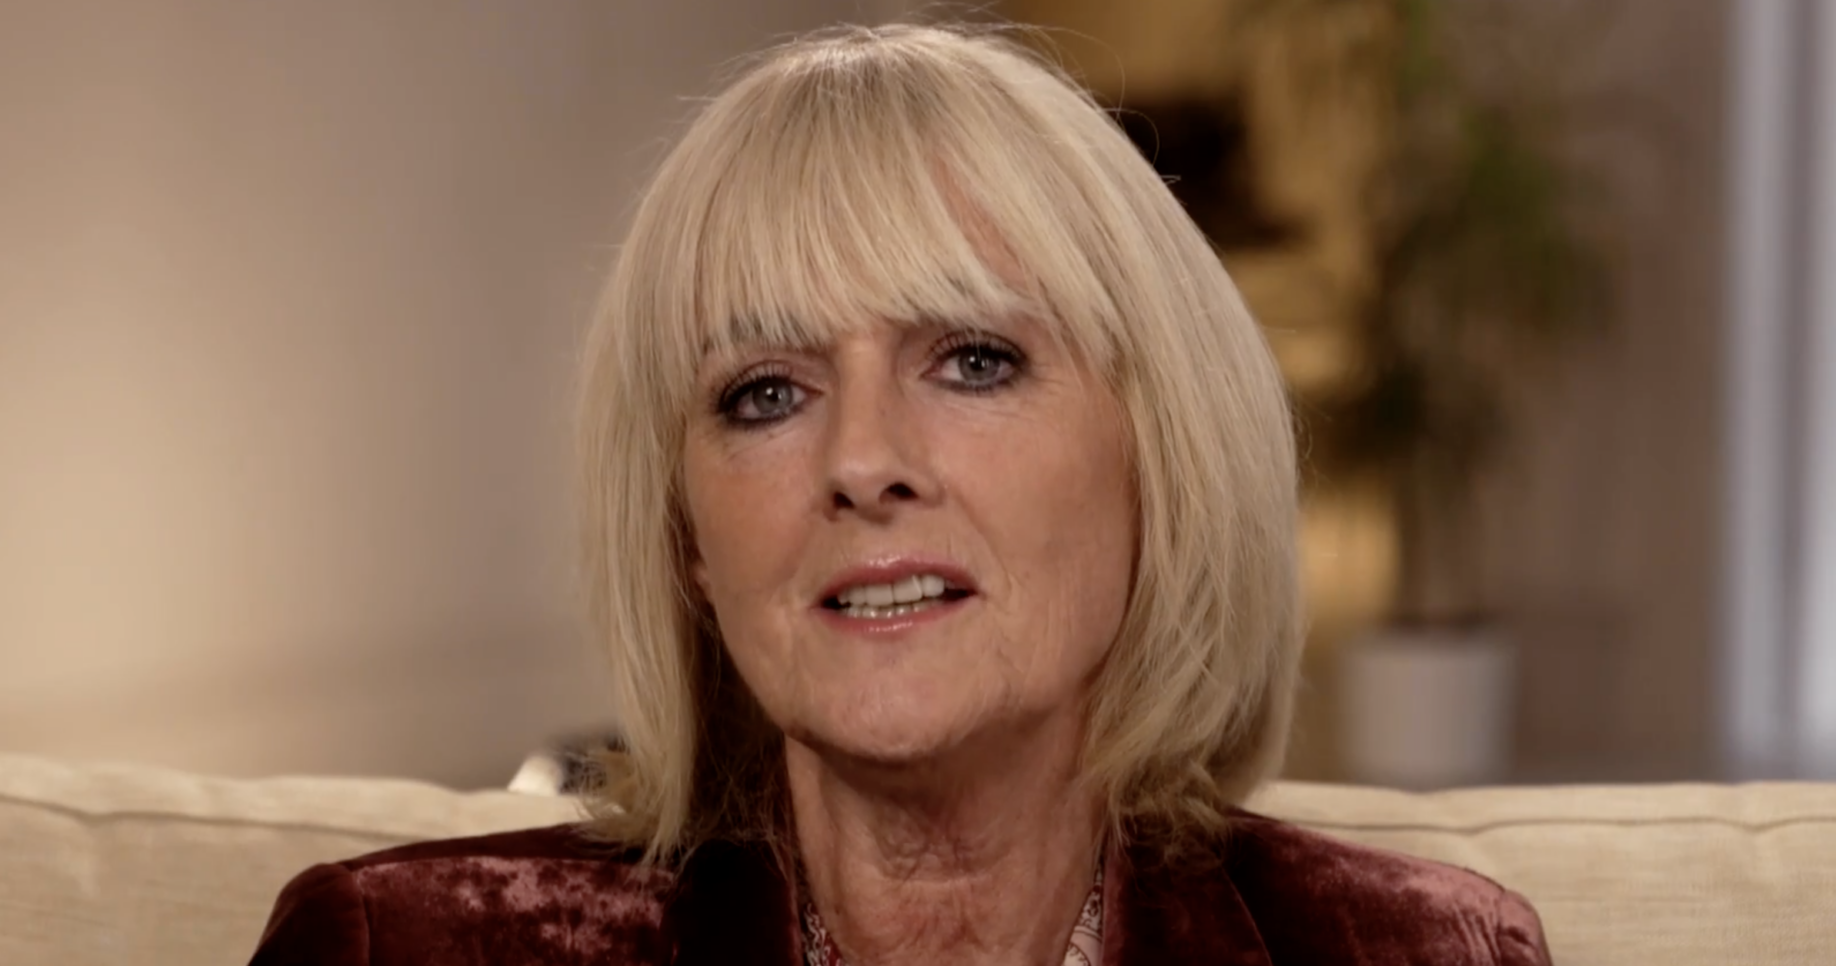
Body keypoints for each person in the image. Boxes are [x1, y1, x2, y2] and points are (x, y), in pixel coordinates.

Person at [250, 22, 1551, 966]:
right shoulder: (400, 948)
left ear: (1165, 457)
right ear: (690, 541)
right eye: (765, 391)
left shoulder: (1415, 950)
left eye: (974, 359)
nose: (862, 458)